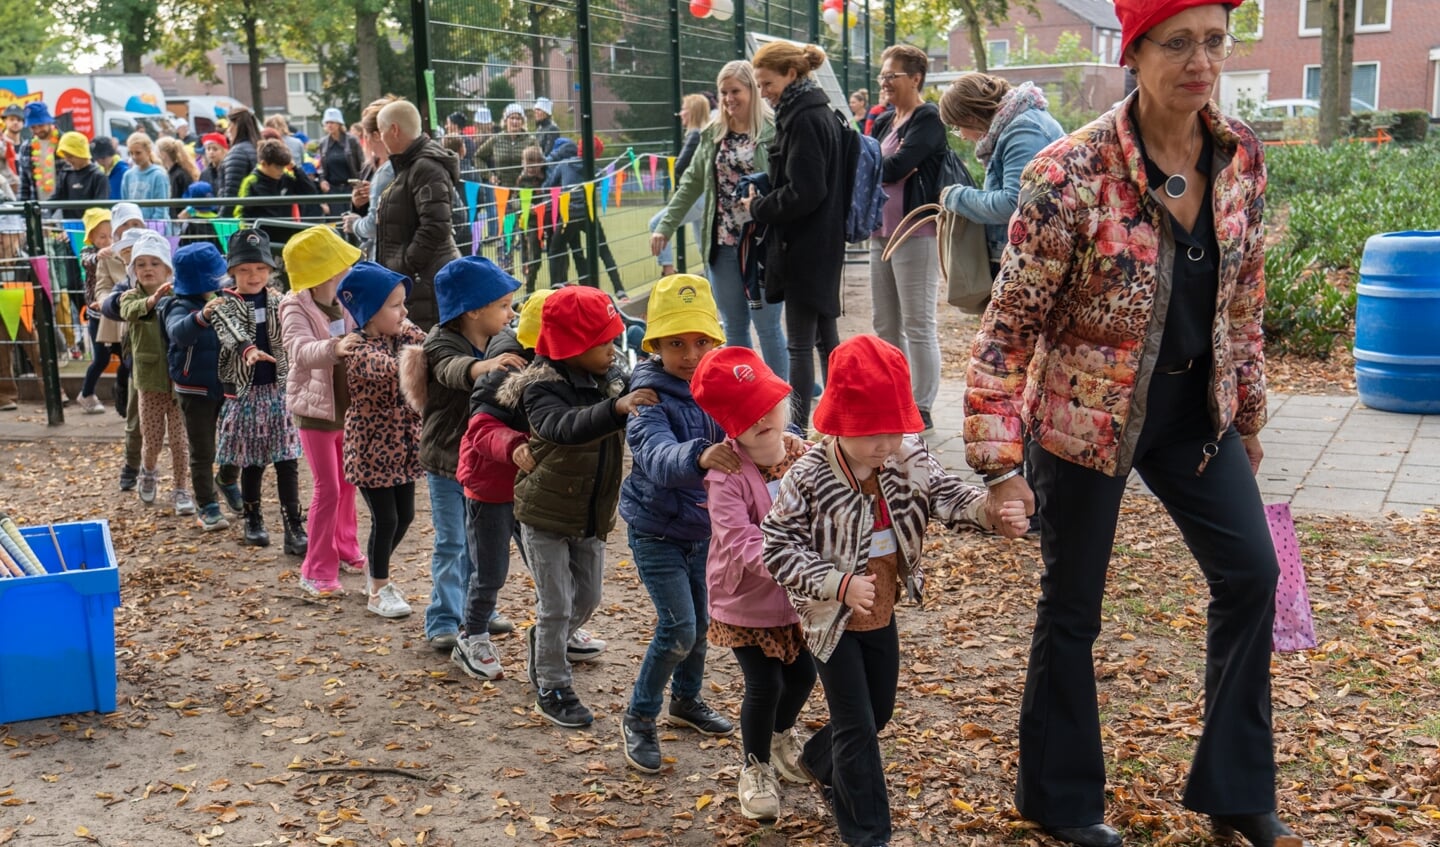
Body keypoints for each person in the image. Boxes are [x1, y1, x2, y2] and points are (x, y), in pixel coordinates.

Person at [962, 1, 1284, 844]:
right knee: (1072, 607)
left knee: (1252, 573)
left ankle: (1237, 789)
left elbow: (1245, 300)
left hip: (1191, 414)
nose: (1201, 61)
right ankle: (1061, 799)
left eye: (1215, 42)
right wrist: (998, 463)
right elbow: (1007, 330)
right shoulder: (1068, 174)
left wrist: (1247, 413)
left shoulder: (1241, 154)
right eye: (1178, 43)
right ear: (1133, 54)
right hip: (1082, 415)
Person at [764, 334, 1028, 847]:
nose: (886, 443)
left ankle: (818, 760)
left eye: (895, 428)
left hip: (880, 610)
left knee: (877, 710)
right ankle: (868, 834)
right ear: (838, 423)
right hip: (829, 617)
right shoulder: (810, 476)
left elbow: (947, 494)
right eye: (872, 432)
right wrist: (835, 583)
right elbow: (775, 545)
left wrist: (991, 511)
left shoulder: (907, 458)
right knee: (857, 725)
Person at [501, 285, 658, 727]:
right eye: (603, 341)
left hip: (590, 514)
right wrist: (617, 408)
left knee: (586, 598)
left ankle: (547, 642)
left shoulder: (610, 376)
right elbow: (564, 427)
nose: (613, 349)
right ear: (572, 347)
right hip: (544, 515)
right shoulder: (540, 389)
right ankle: (552, 683)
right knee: (556, 603)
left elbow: (642, 384)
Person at [691, 346, 817, 821]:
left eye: (768, 404)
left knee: (804, 675)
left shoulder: (804, 456)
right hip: (745, 598)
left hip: (798, 598)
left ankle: (783, 737)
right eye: (748, 414)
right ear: (729, 424)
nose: (763, 418)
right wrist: (790, 563)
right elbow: (736, 536)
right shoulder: (728, 474)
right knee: (763, 684)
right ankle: (755, 767)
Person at [617, 275, 734, 773]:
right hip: (657, 530)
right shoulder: (648, 399)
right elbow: (659, 456)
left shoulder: (721, 385)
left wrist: (787, 435)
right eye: (676, 343)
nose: (690, 353)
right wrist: (701, 454)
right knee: (679, 627)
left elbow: (758, 417)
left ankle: (685, 702)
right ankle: (639, 717)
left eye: (701, 341)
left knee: (701, 623)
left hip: (703, 531)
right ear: (655, 345)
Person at [401, 256, 525, 648]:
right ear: (473, 310)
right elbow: (452, 369)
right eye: (503, 305)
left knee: (482, 541)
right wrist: (483, 367)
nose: (511, 313)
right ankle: (442, 618)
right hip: (447, 461)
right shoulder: (440, 341)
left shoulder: (498, 338)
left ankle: (478, 610)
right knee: (452, 541)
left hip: (483, 464)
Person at [652, 61, 787, 380]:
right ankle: (742, 399)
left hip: (762, 244)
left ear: (752, 91)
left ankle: (785, 407)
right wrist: (665, 225)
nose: (728, 98)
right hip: (724, 244)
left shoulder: (773, 130)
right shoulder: (714, 133)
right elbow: (691, 184)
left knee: (768, 328)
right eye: (723, 92)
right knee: (733, 328)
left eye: (735, 91)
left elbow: (787, 185)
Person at [743, 41, 851, 429]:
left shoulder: (804, 118)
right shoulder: (813, 112)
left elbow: (806, 190)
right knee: (825, 342)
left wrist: (758, 207)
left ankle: (797, 430)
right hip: (820, 243)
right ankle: (838, 421)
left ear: (791, 74)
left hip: (805, 246)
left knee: (800, 345)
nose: (764, 92)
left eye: (767, 83)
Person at [453, 288, 552, 680]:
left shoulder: (561, 365)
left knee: (547, 566)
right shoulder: (506, 365)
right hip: (491, 488)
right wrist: (512, 446)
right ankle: (472, 634)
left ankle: (558, 627)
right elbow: (481, 426)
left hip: (529, 487)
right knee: (490, 570)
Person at [279, 226, 369, 597]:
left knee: (348, 480)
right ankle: (316, 568)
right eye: (339, 264)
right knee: (327, 488)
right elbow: (298, 350)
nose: (346, 269)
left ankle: (345, 545)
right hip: (315, 412)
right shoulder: (294, 306)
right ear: (322, 272)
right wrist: (337, 347)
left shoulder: (347, 299)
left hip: (347, 408)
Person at [337, 261, 428, 619]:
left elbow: (423, 342)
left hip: (403, 446)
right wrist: (426, 355)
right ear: (370, 313)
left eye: (404, 303)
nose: (405, 312)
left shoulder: (400, 335)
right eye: (395, 305)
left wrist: (418, 339)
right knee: (386, 519)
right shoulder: (359, 351)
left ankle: (376, 570)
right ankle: (378, 589)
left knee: (405, 516)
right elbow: (398, 368)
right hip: (372, 449)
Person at [868, 44, 950, 435]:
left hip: (915, 232)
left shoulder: (928, 118)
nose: (884, 83)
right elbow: (876, 166)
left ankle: (922, 405)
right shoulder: (885, 121)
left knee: (917, 322)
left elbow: (895, 165)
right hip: (879, 233)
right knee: (885, 323)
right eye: (882, 76)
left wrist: (875, 167)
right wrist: (877, 167)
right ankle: (895, 398)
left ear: (915, 78)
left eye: (891, 76)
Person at [209, 228, 307, 554]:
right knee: (252, 461)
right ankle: (253, 518)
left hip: (279, 392)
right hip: (246, 395)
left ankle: (294, 525)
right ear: (233, 272)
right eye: (246, 269)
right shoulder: (224, 303)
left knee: (287, 460)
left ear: (270, 270)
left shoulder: (281, 300)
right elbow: (230, 331)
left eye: (261, 269)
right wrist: (248, 350)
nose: (254, 276)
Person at [938, 72, 1065, 280]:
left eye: (957, 126)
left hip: (1030, 264)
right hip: (1030, 258)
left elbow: (1014, 205)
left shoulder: (1023, 130)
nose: (961, 135)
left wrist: (955, 197)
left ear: (970, 118)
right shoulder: (1017, 125)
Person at [161, 243, 241, 532]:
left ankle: (228, 479)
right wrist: (202, 317)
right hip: (194, 388)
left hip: (229, 383)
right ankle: (207, 505)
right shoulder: (176, 305)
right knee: (203, 449)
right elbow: (177, 333)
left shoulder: (228, 298)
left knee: (237, 440)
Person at [118, 232, 194, 515]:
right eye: (141, 264)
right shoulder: (131, 297)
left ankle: (181, 488)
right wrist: (151, 302)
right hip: (149, 383)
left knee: (179, 441)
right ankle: (148, 470)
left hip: (179, 382)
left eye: (155, 263)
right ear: (133, 270)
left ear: (167, 269)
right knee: (151, 440)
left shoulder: (179, 296)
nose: (148, 269)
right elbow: (131, 311)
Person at [374, 99, 462, 331]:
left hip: (425, 281)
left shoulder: (426, 167)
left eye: (381, 132)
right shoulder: (410, 165)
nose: (380, 139)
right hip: (416, 280)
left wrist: (406, 264)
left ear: (394, 130)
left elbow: (435, 226)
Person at [543, 136, 627, 300]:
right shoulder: (595, 170)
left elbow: (548, 186)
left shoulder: (564, 165)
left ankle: (553, 292)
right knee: (603, 250)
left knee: (555, 250)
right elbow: (603, 182)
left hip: (569, 214)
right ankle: (620, 290)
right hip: (588, 215)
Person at [647, 93, 708, 277]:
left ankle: (668, 270)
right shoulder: (703, 134)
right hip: (704, 197)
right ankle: (713, 285)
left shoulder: (695, 136)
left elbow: (680, 166)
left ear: (692, 113)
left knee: (657, 224)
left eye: (684, 109)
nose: (680, 113)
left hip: (696, 197)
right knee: (704, 246)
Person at [233, 139, 320, 246]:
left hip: (287, 237)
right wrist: (249, 238)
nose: (282, 170)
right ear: (264, 163)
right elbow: (241, 214)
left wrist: (295, 168)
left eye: (284, 166)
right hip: (261, 240)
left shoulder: (286, 178)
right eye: (278, 167)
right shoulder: (251, 182)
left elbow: (310, 192)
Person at [345, 96, 399, 260]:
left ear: (377, 135)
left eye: (366, 135)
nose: (365, 141)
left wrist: (355, 224)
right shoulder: (370, 166)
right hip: (373, 248)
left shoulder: (399, 167)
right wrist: (357, 203)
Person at [76, 209, 116, 414]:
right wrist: (98, 256)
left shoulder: (117, 250)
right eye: (102, 236)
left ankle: (124, 392)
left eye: (111, 235)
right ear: (91, 236)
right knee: (101, 358)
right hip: (97, 315)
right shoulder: (88, 253)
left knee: (125, 355)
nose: (108, 240)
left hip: (115, 313)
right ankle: (86, 393)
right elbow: (87, 261)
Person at [513, 146, 547, 292]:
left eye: (536, 163)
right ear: (523, 163)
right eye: (529, 163)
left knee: (538, 255)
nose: (532, 167)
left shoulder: (546, 177)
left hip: (546, 220)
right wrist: (525, 207)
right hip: (529, 222)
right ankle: (530, 285)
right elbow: (514, 200)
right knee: (532, 253)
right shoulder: (522, 180)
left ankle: (532, 277)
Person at [317, 107, 363, 213]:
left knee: (352, 219)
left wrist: (360, 184)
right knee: (336, 222)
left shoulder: (352, 141)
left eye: (332, 122)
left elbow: (361, 163)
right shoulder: (323, 143)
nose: (329, 125)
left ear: (339, 124)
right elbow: (321, 167)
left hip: (351, 188)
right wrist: (322, 180)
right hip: (332, 190)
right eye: (327, 122)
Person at [53, 132, 110, 214]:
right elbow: (56, 198)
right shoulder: (65, 174)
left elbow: (100, 207)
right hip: (68, 225)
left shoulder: (98, 176)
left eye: (70, 156)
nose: (67, 160)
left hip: (92, 225)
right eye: (65, 156)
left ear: (82, 153)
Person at [121, 133, 171, 221]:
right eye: (131, 153)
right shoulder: (128, 175)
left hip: (155, 228)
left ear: (148, 151)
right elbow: (126, 204)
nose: (134, 157)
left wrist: (148, 228)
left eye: (138, 153)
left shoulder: (158, 175)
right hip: (135, 227)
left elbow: (161, 209)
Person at [18, 102, 57, 201]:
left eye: (40, 125)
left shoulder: (63, 142)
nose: (37, 130)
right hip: (36, 206)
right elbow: (24, 184)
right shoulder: (25, 147)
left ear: (49, 122)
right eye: (33, 127)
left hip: (63, 206)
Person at [221, 108, 262, 198]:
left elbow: (231, 192)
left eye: (229, 125)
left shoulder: (237, 152)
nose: (227, 131)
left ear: (236, 125)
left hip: (242, 210)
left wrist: (223, 212)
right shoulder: (258, 148)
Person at [157, 137, 199, 218]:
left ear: (163, 154)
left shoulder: (180, 174)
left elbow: (191, 198)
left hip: (180, 220)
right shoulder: (170, 173)